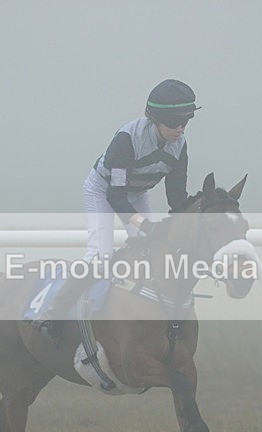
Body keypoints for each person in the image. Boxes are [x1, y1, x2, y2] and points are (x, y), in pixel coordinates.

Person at [35, 79, 200, 341]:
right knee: (100, 256)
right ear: (155, 119)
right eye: (173, 123)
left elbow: (176, 197)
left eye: (185, 122)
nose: (180, 129)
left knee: (152, 248)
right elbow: (115, 195)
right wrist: (145, 225)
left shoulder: (180, 145)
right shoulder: (127, 139)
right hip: (103, 192)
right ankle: (53, 313)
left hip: (135, 193)